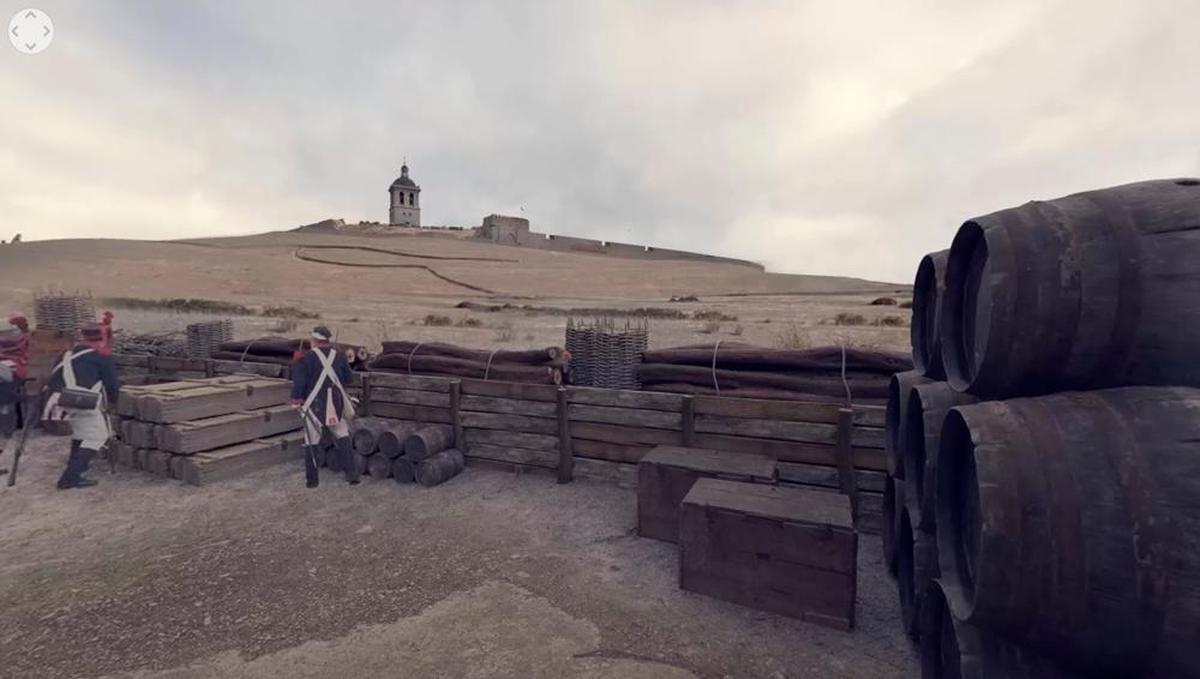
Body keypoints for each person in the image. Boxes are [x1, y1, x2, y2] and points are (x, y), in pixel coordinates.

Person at [45, 324, 120, 489]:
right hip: (82, 400)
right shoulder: (101, 356)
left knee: (80, 434)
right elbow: (112, 385)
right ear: (103, 339)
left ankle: (77, 468)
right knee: (98, 436)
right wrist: (115, 402)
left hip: (60, 400)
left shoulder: (65, 355)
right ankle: (70, 477)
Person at [290, 325, 357, 487]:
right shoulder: (340, 357)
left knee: (311, 441)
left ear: (314, 340)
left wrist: (296, 400)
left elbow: (299, 383)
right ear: (327, 340)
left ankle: (312, 481)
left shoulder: (304, 359)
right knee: (343, 436)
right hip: (335, 402)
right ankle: (353, 476)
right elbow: (348, 379)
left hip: (314, 405)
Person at [0, 314, 32, 474]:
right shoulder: (7, 365)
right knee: (5, 430)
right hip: (3, 404)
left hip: (6, 401)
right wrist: (25, 398)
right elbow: (4, 392)